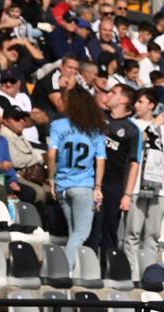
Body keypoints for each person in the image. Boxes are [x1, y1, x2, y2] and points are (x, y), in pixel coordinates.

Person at [47, 86, 106, 268]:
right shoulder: (96, 129)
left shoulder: (58, 125)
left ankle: (73, 270)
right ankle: (64, 270)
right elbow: (101, 160)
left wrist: (51, 179)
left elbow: (51, 155)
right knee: (81, 233)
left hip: (62, 184)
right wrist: (98, 187)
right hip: (83, 185)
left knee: (74, 232)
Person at [124, 88, 164, 281]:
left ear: (151, 105)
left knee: (152, 235)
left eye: (140, 102)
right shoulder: (132, 124)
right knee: (133, 233)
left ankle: (149, 275)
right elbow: (139, 141)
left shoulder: (163, 129)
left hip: (158, 188)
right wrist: (154, 125)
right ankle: (131, 274)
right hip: (136, 186)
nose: (136, 105)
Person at [94, 84, 140, 257]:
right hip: (92, 180)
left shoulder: (132, 130)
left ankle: (107, 271)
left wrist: (127, 195)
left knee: (109, 231)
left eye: (113, 92)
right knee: (92, 228)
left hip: (114, 185)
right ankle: (86, 268)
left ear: (123, 100)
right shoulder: (98, 117)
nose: (109, 95)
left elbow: (134, 163)